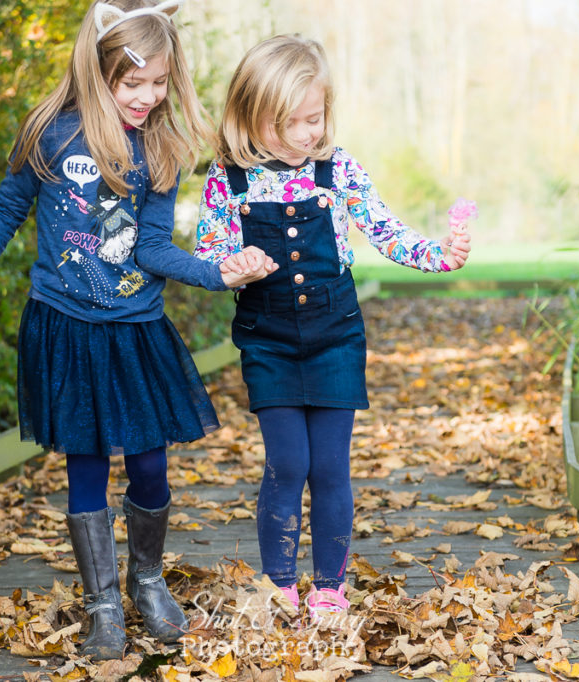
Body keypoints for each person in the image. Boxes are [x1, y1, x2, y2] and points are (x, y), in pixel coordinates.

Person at [0, 0, 275, 660]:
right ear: (100, 72)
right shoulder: (52, 135)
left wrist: (217, 271)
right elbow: (6, 208)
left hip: (133, 327)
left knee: (149, 463)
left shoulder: (160, 149)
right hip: (65, 325)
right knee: (85, 465)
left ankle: (146, 581)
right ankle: (102, 607)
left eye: (158, 83)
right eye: (132, 83)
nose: (147, 97)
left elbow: (150, 246)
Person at [194, 34, 472, 624]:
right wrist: (233, 267)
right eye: (286, 123)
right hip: (268, 340)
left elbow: (387, 230)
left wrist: (442, 254)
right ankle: (278, 585)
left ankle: (328, 587)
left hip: (335, 335)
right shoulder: (227, 179)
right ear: (248, 116)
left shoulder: (336, 168)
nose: (304, 135)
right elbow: (210, 253)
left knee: (330, 466)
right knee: (287, 462)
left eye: (313, 120)